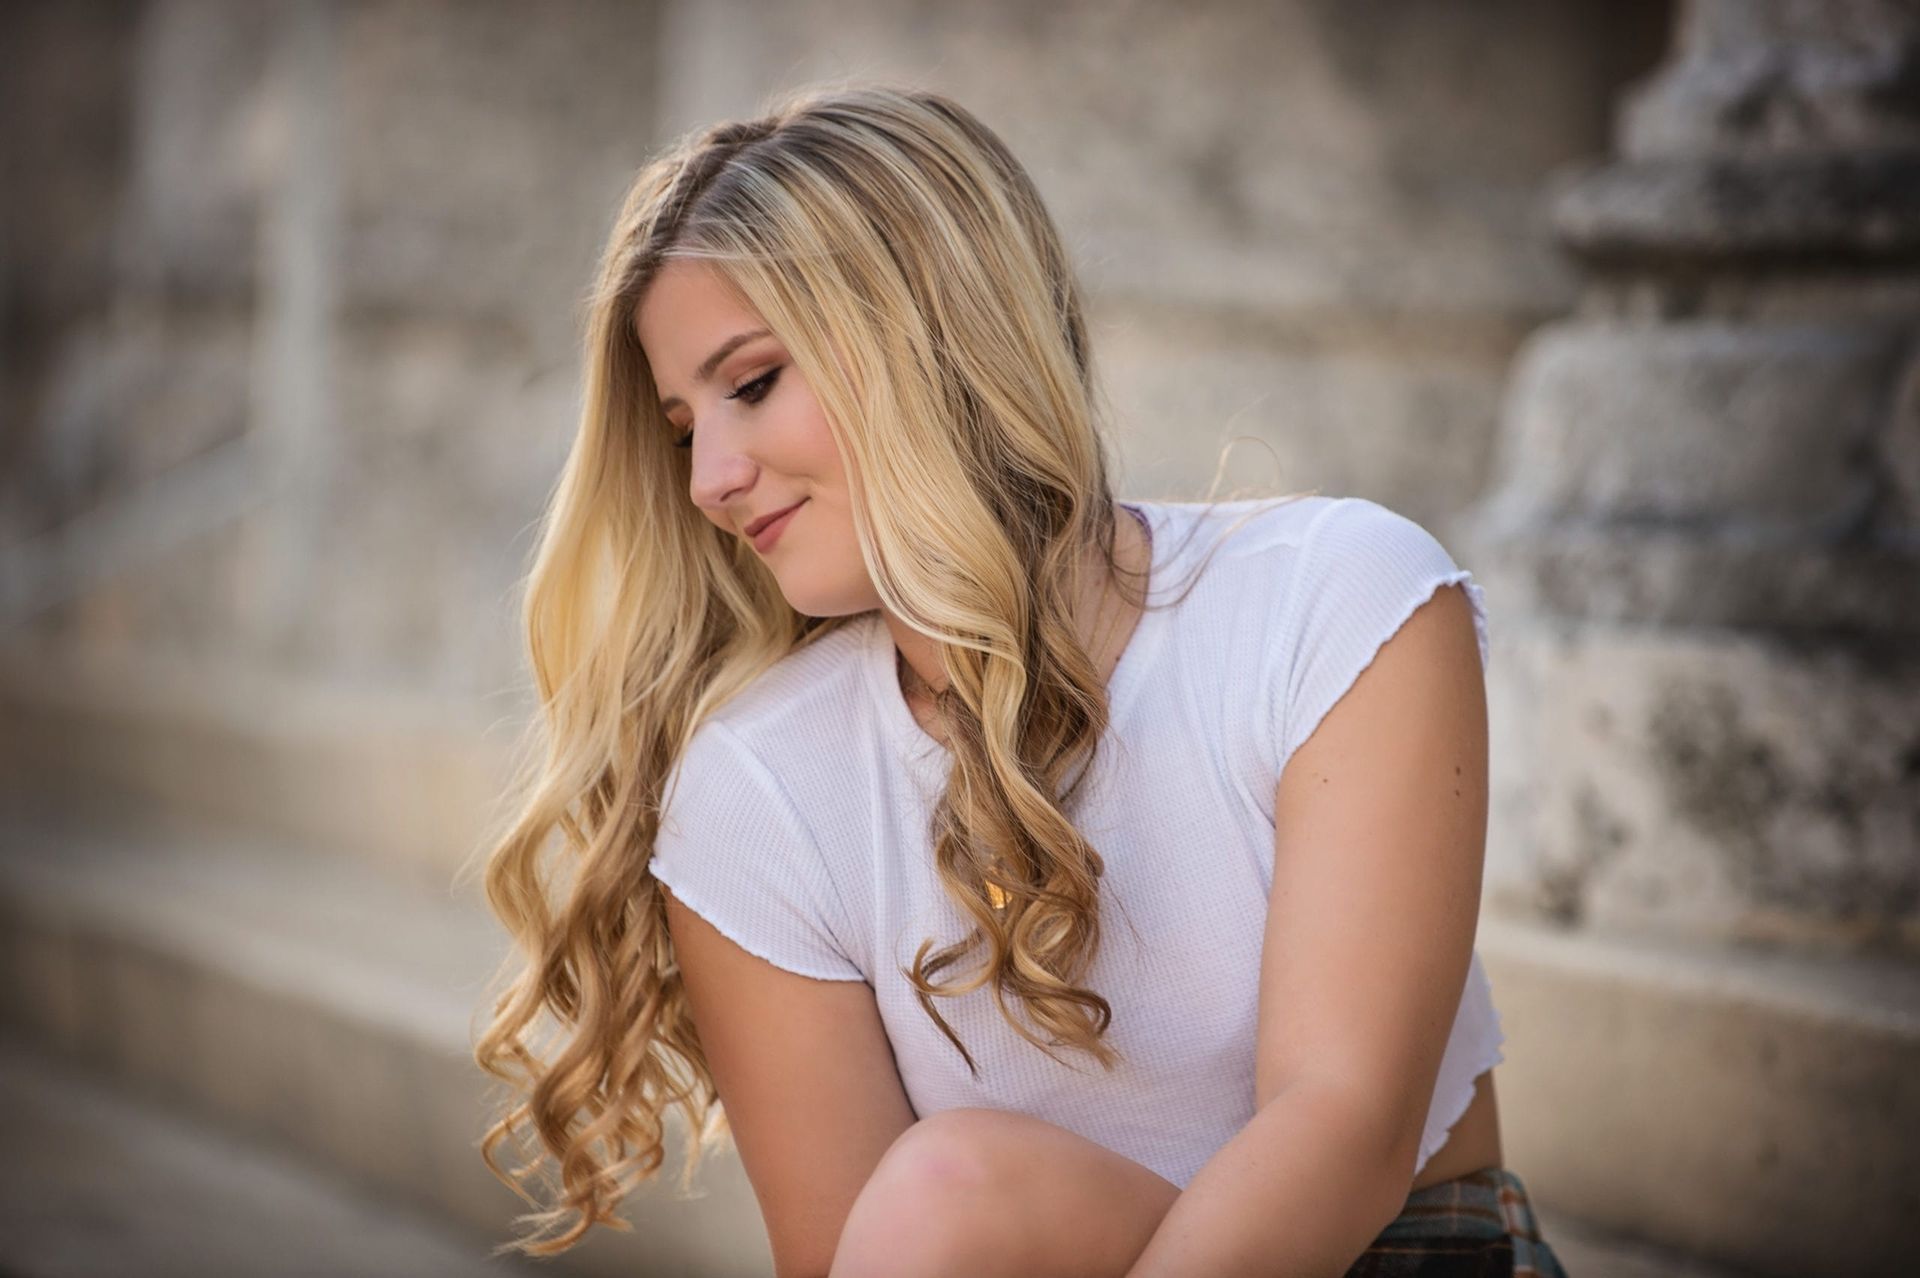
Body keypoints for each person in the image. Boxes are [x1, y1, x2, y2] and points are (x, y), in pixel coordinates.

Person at [472, 80, 1570, 1277]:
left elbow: (1344, 1129)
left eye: (750, 384)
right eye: (685, 429)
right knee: (945, 1200)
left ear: (930, 333)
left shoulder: (1335, 597)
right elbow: (855, 1252)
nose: (711, 482)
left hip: (1402, 1252)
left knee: (951, 1191)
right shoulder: (757, 788)